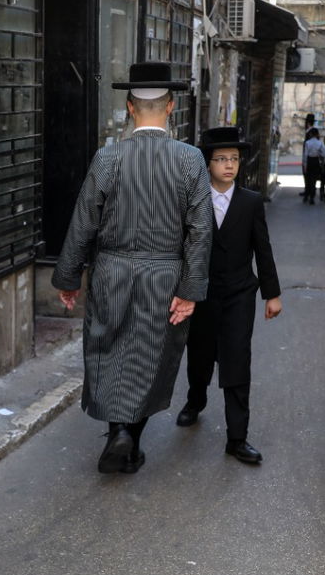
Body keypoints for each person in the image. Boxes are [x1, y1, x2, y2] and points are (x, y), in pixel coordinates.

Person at [53, 61, 213, 473]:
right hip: (165, 274)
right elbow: (200, 231)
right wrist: (190, 290)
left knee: (109, 348)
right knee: (149, 354)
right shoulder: (190, 160)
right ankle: (131, 436)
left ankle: (118, 431)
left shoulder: (109, 157)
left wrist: (68, 277)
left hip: (112, 271)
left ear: (129, 108)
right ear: (171, 107)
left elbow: (84, 220)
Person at [175, 125, 282, 464]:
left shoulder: (250, 202)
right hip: (201, 294)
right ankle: (195, 400)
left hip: (239, 294)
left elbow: (262, 249)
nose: (228, 165)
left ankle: (237, 438)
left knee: (237, 360)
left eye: (233, 159)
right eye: (221, 158)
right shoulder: (194, 199)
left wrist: (272, 294)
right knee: (200, 355)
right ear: (208, 163)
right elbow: (181, 247)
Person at [302, 128, 325, 205]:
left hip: (309, 161)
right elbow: (323, 154)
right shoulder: (320, 143)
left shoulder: (307, 143)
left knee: (308, 179)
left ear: (311, 134)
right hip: (316, 161)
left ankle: (306, 196)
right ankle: (312, 197)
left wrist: (305, 165)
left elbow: (305, 155)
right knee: (314, 180)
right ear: (317, 134)